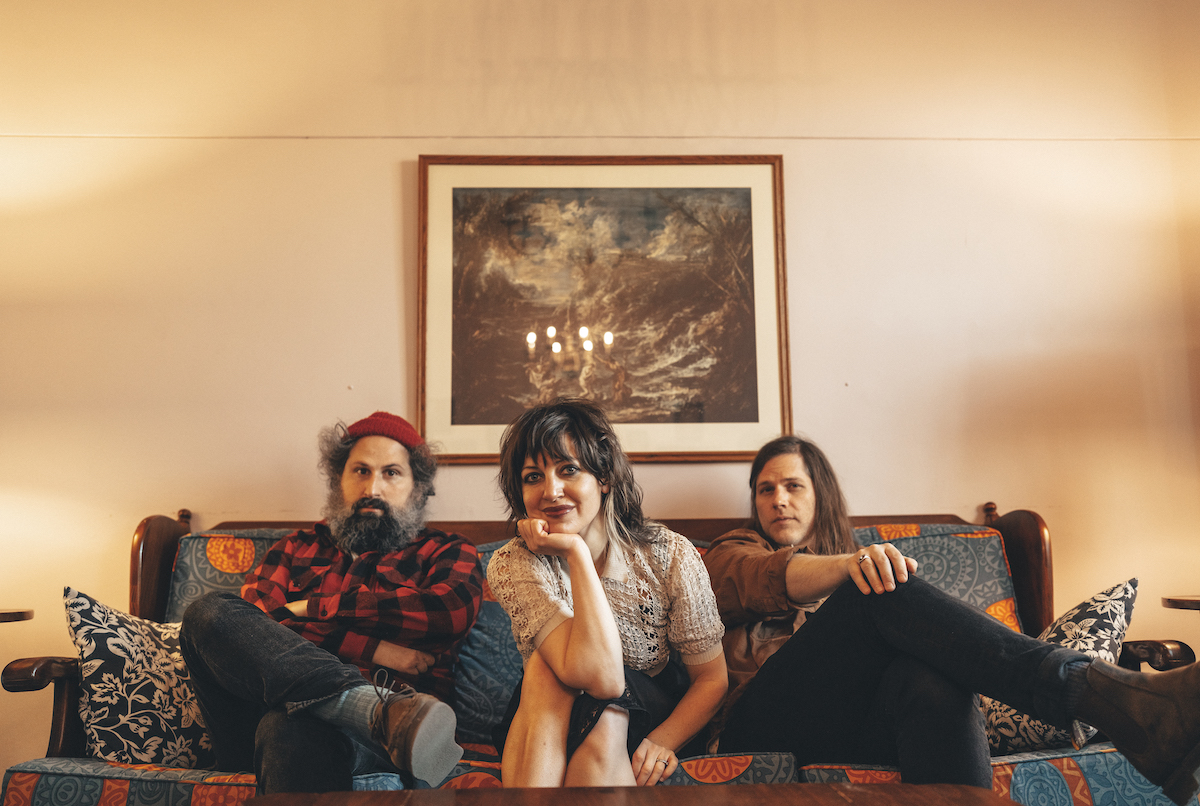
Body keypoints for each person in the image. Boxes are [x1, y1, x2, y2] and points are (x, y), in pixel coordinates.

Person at [703, 434, 1200, 806]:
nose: (778, 499)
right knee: (874, 586)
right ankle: (1111, 697)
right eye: (765, 490)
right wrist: (850, 568)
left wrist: (857, 566)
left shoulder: (860, 559)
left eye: (793, 485)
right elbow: (761, 575)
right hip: (757, 723)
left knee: (930, 676)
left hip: (853, 724)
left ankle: (1129, 710)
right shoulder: (730, 552)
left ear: (821, 494)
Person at [179, 411, 484, 794]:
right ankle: (375, 709)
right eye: (360, 471)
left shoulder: (446, 552)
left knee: (289, 728)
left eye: (391, 473)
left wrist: (307, 608)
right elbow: (256, 628)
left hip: (387, 747)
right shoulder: (293, 548)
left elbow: (445, 614)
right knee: (208, 613)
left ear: (418, 487)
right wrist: (374, 648)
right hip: (255, 725)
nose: (373, 488)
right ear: (339, 479)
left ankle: (378, 719)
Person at [486, 398, 727, 787]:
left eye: (568, 469)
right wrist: (576, 551)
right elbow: (595, 675)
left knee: (606, 710)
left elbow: (711, 679)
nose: (551, 490)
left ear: (604, 478)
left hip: (651, 713)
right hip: (549, 718)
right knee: (549, 670)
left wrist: (663, 741)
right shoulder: (514, 562)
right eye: (533, 477)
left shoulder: (668, 555)